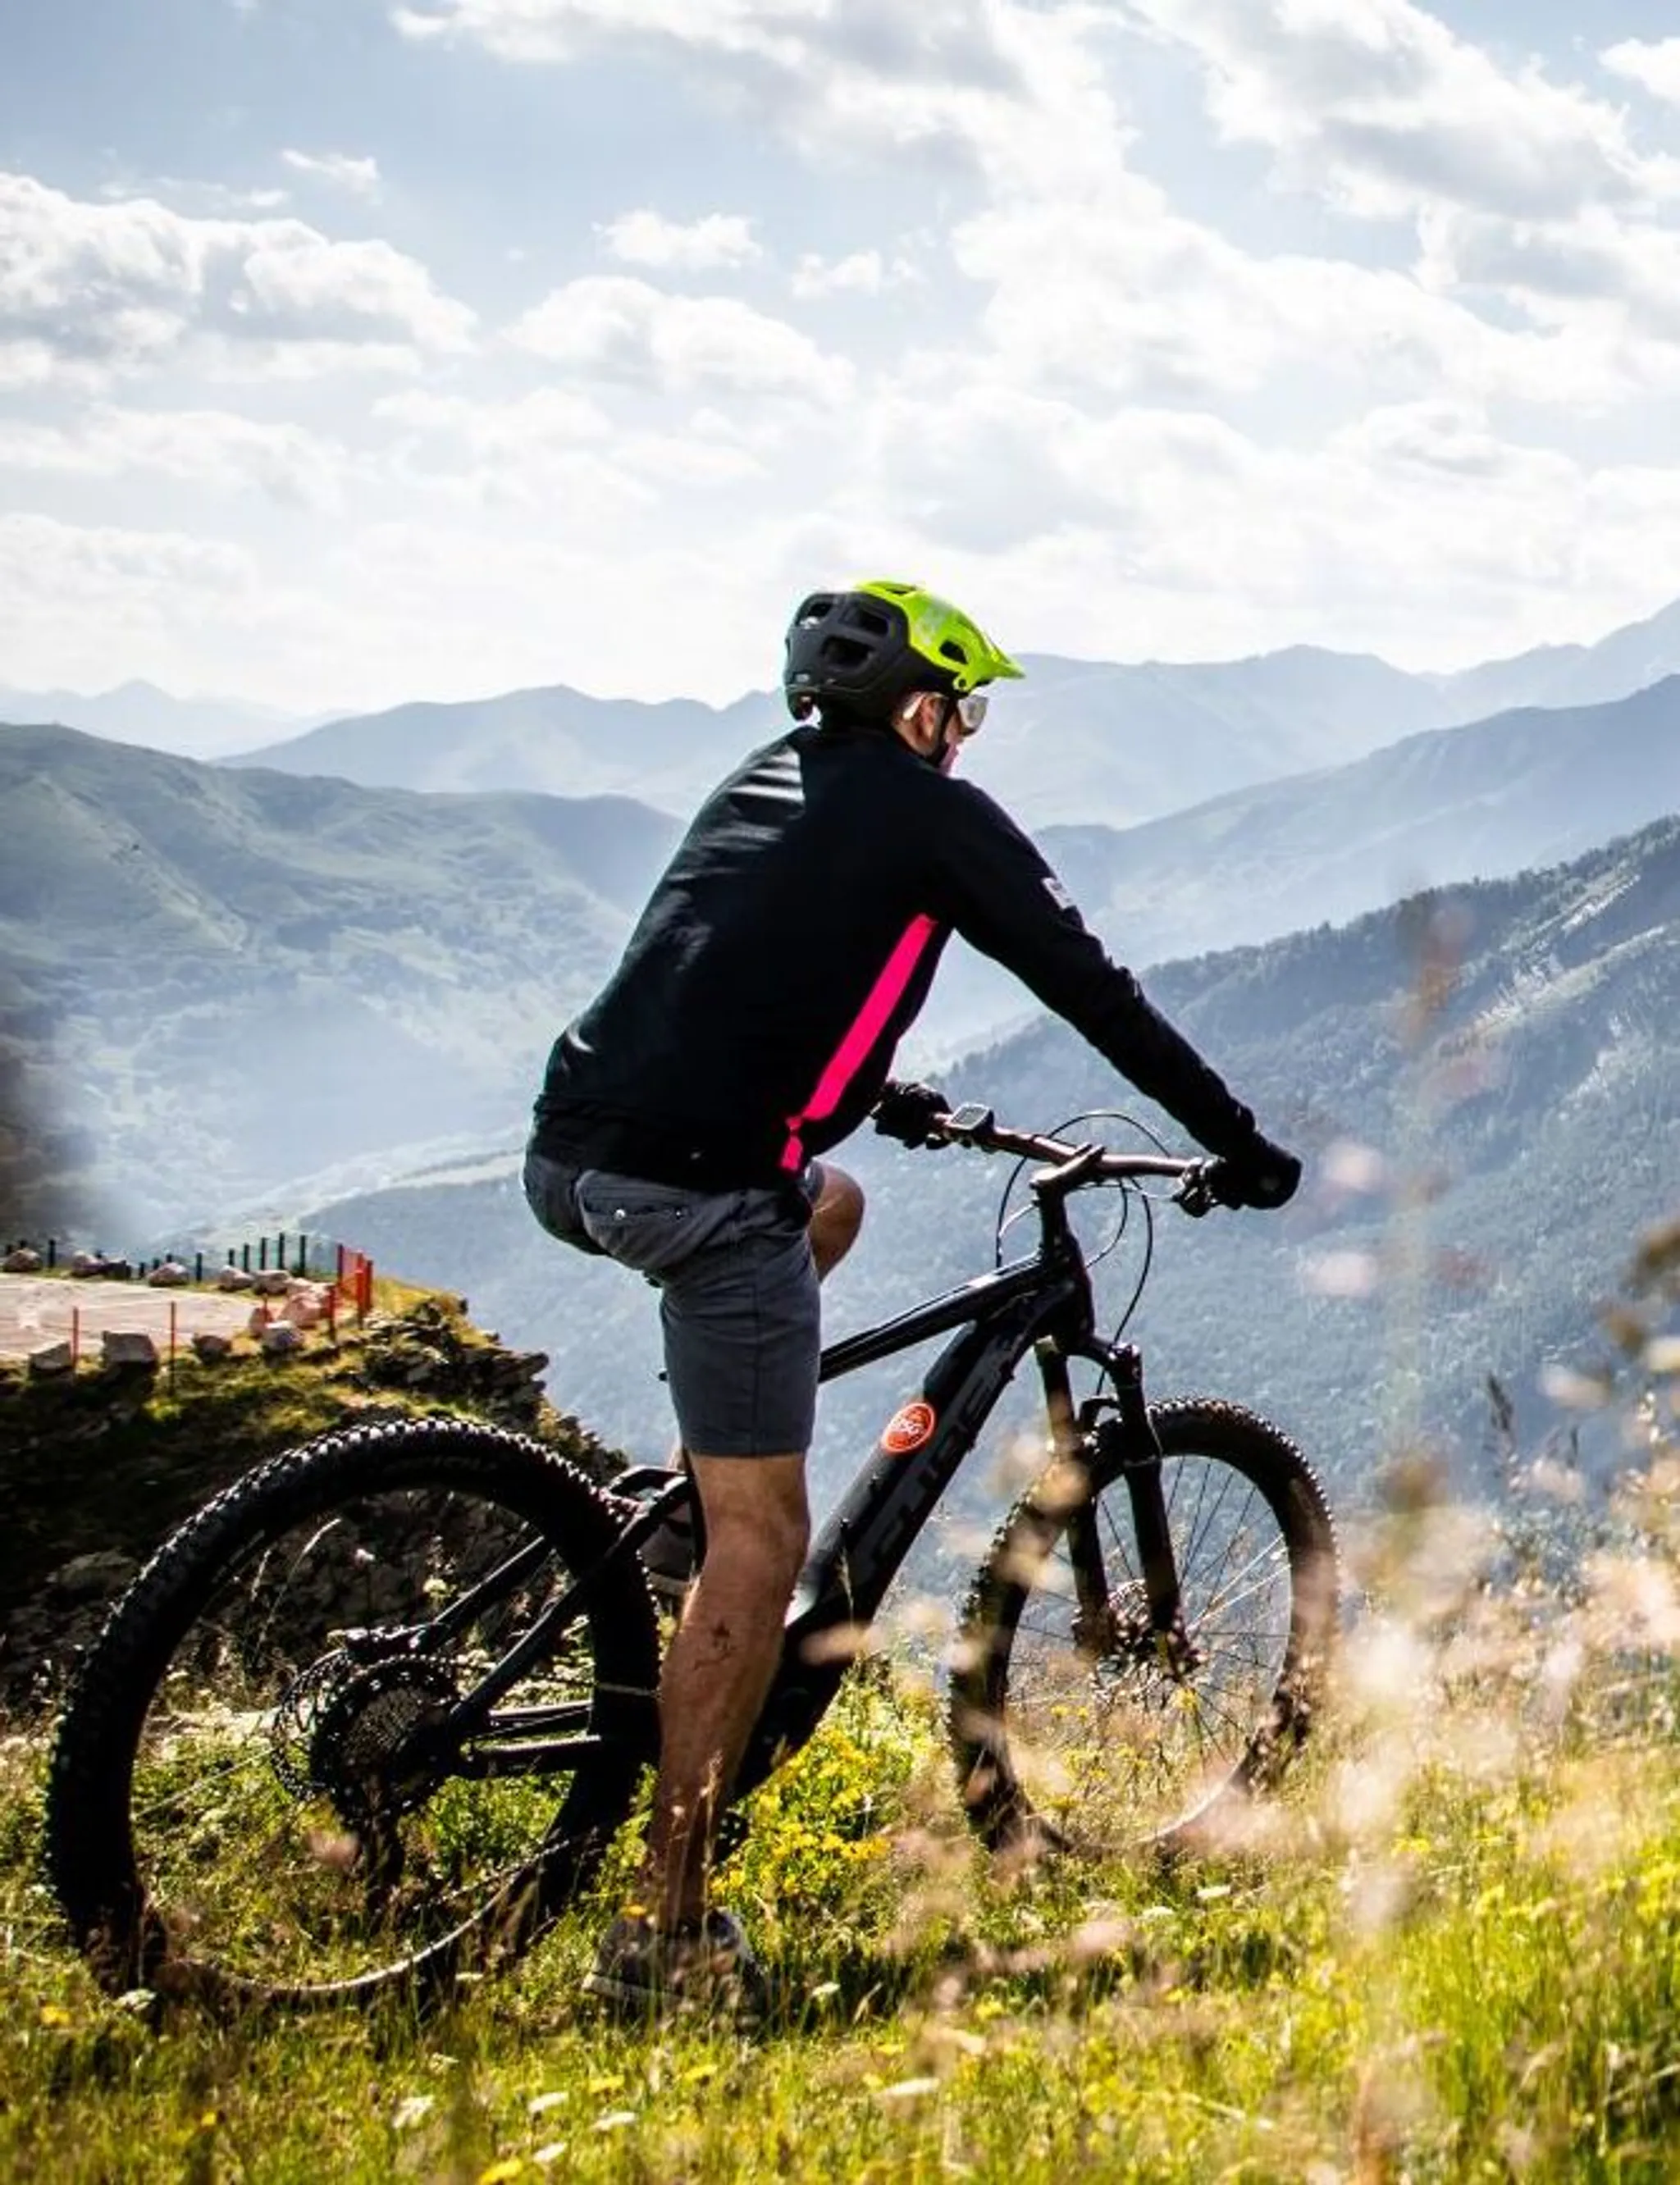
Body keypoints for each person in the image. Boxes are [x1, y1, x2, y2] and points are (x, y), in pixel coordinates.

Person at [523, 578, 1301, 2018]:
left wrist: (877, 1095)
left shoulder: (767, 779)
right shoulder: (938, 818)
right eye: (966, 710)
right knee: (770, 1539)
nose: (968, 735)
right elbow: (1095, 991)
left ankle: (688, 1505)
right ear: (924, 710)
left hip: (571, 1154)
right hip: (695, 1186)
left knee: (831, 1205)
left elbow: (737, 962)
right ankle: (664, 1934)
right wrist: (1237, 1141)